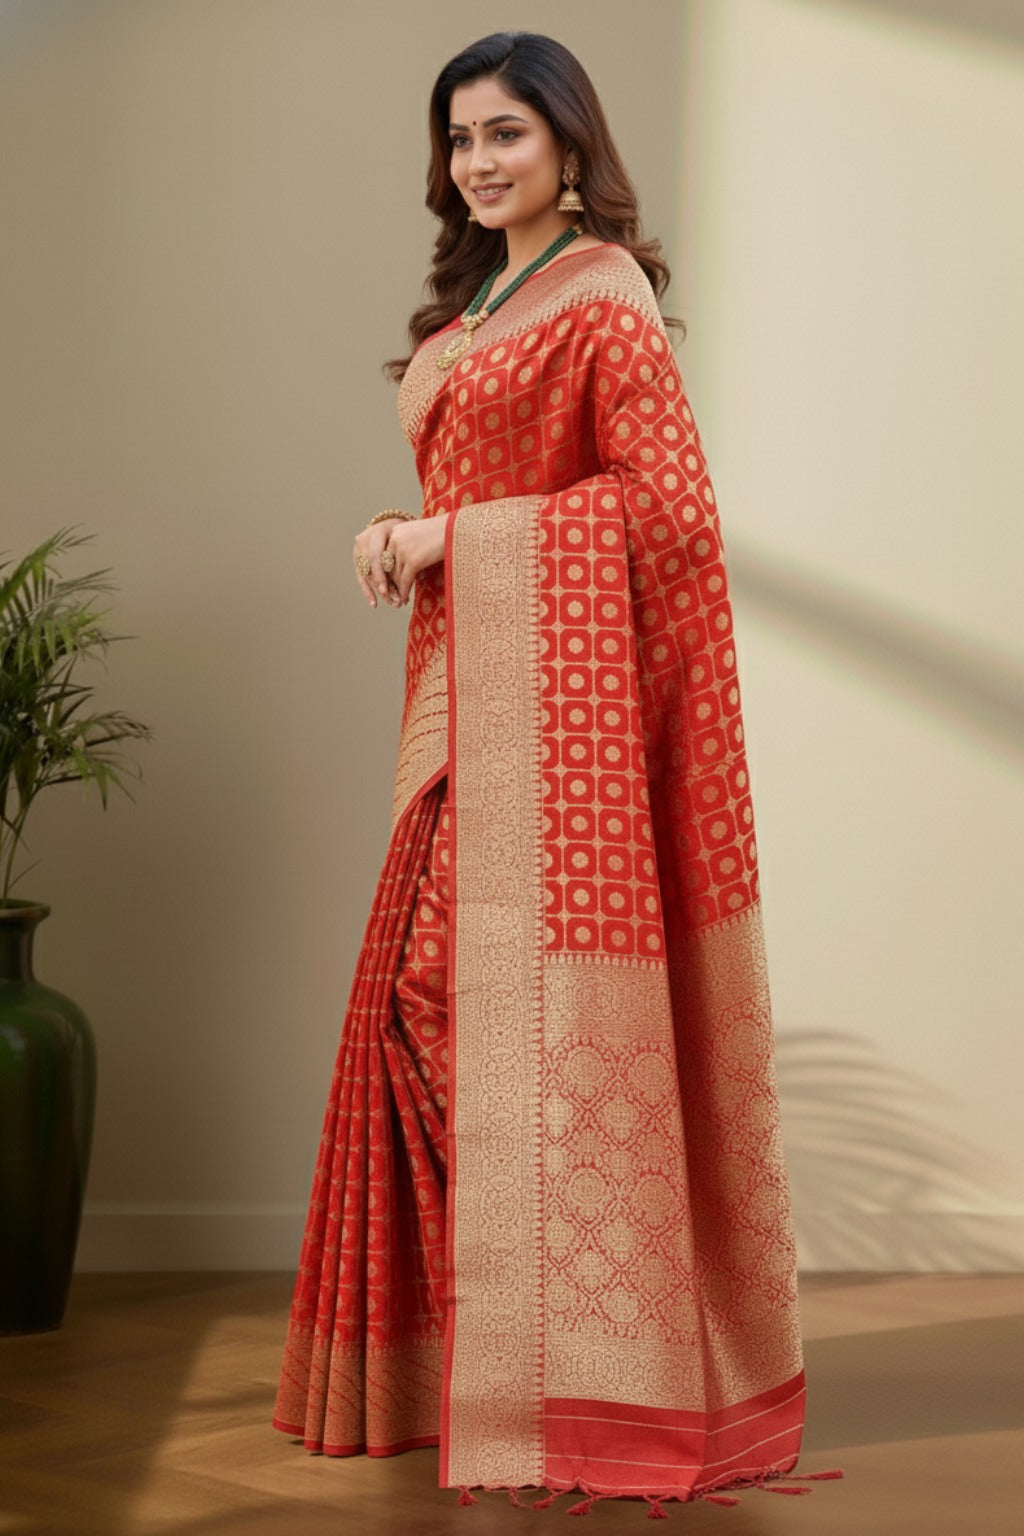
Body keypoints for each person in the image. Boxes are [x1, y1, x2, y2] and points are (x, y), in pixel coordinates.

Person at [273, 30, 841, 1513]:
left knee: (470, 1016)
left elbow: (667, 514)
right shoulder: (478, 304)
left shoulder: (604, 296)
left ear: (571, 146)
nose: (479, 161)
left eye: (507, 133)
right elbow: (484, 488)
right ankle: (481, 1369)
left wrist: (449, 539)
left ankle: (576, 1373)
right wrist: (403, 532)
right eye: (460, 137)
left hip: (557, 742)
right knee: (424, 1014)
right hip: (464, 705)